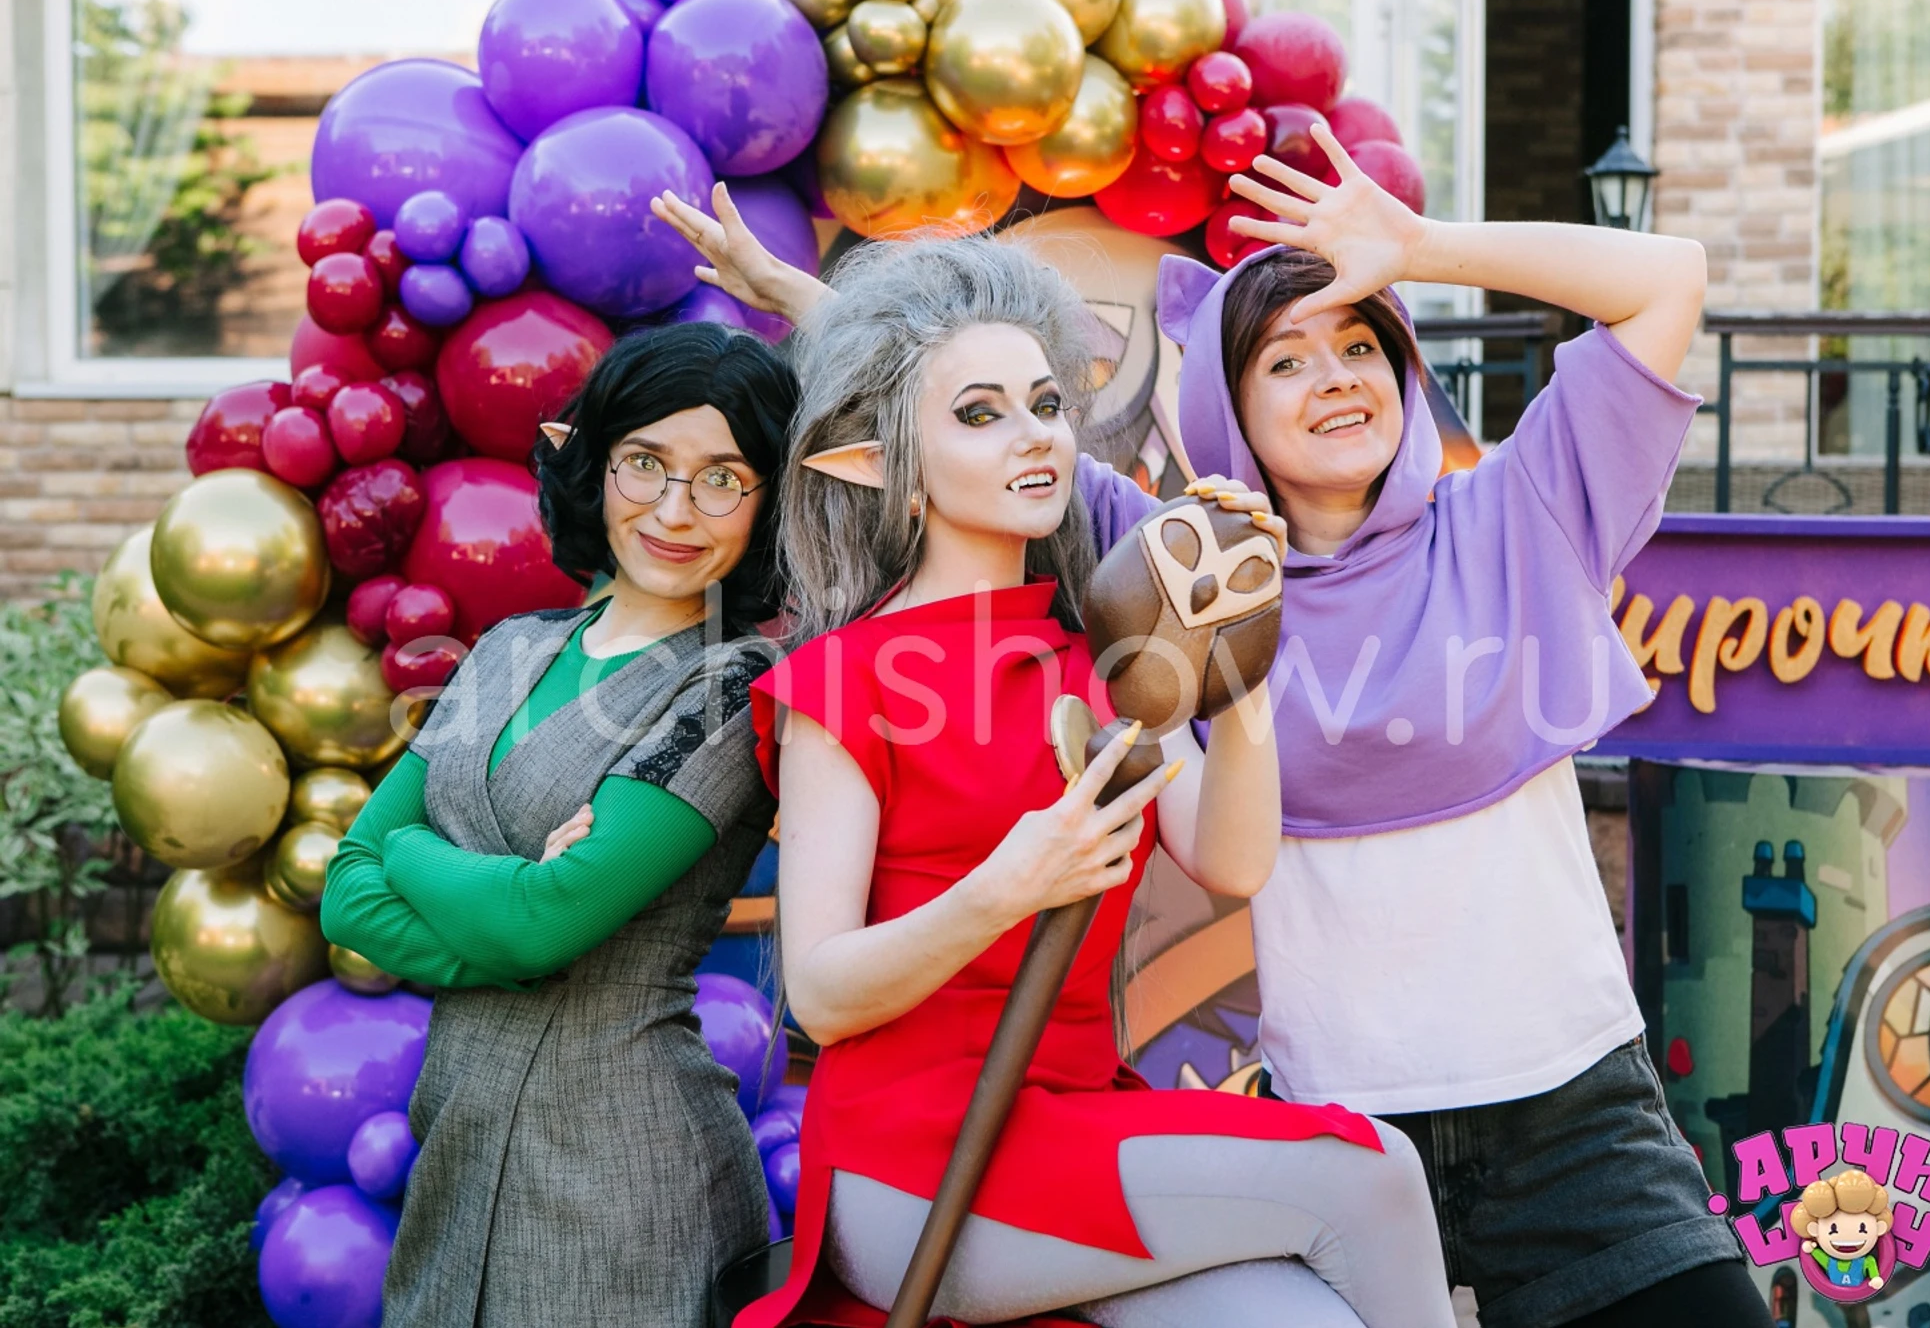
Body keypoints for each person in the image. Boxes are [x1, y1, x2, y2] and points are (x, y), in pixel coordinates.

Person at [663, 115, 1761, 1328]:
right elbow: (947, 416)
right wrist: (796, 298)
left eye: (1360, 343)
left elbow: (1667, 280)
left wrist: (1417, 247)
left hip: (1568, 1111)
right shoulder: (1157, 572)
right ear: (1222, 407)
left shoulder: (1519, 515)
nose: (1333, 376)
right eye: (1284, 360)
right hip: (1330, 1100)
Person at [731, 236, 1455, 1328]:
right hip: (918, 1169)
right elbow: (824, 995)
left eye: (1044, 405)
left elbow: (1230, 858)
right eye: (979, 414)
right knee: (1372, 1170)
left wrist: (1239, 652)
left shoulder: (1105, 664)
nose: (1035, 435)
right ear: (885, 467)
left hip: (1075, 1127)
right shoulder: (841, 679)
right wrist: (1007, 886)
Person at [319, 322, 797, 1328]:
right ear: (595, 464)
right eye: (644, 463)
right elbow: (347, 889)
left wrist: (415, 853)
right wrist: (499, 914)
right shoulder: (509, 648)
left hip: (624, 1169)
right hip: (458, 1145)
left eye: (722, 478)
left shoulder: (730, 684)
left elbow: (541, 924)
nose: (674, 509)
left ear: (768, 503)